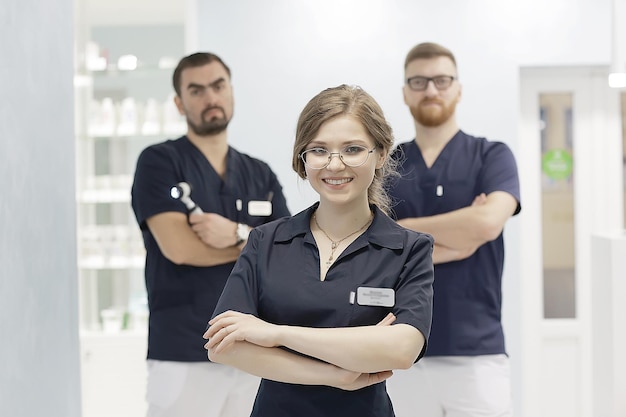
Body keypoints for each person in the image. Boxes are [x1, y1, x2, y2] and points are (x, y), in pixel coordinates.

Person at [203, 84, 435, 417]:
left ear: (381, 153)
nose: (335, 165)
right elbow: (224, 346)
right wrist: (335, 374)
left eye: (353, 149)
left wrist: (274, 333)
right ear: (303, 158)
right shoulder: (266, 242)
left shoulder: (409, 249)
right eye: (319, 150)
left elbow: (402, 349)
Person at [130, 52, 291, 417]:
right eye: (197, 90)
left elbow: (290, 251)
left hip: (254, 349)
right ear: (179, 102)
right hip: (184, 353)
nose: (211, 98)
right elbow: (179, 248)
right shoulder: (159, 162)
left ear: (231, 92)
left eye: (218, 86)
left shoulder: (258, 172)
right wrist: (253, 243)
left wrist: (233, 232)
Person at [385, 42, 522, 417]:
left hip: (477, 353)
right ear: (404, 92)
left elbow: (487, 221)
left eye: (441, 80)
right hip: (399, 351)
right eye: (419, 81)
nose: (431, 89)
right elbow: (376, 247)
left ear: (458, 88)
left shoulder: (492, 155)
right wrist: (461, 241)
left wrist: (406, 231)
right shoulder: (385, 166)